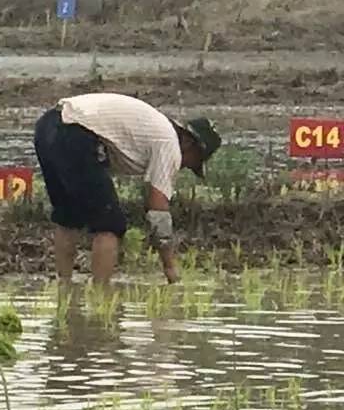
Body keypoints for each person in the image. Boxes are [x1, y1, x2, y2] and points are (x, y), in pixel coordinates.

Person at [32, 93, 221, 285]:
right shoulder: (169, 143)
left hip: (48, 126)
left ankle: (64, 287)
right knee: (110, 224)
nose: (184, 167)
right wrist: (169, 267)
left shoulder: (155, 128)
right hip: (75, 133)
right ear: (190, 143)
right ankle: (102, 298)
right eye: (193, 161)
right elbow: (158, 210)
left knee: (68, 217)